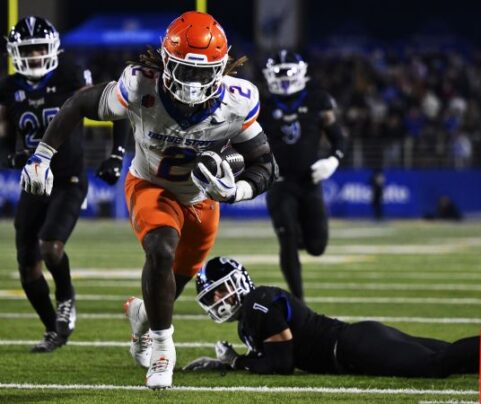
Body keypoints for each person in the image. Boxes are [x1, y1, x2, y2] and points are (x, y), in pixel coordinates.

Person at [20, 11, 276, 389]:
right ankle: (162, 349)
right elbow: (79, 103)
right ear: (165, 62)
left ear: (221, 69)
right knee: (160, 249)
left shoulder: (237, 102)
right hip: (150, 185)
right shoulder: (140, 86)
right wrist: (42, 154)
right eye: (184, 70)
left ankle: (141, 315)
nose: (191, 84)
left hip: (202, 199)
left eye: (201, 73)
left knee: (171, 282)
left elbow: (264, 164)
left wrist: (235, 191)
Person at [183, 256, 481, 379]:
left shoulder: (258, 304)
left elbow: (281, 363)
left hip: (349, 347)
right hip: (355, 340)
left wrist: (235, 363)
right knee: (446, 355)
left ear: (236, 281)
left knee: (436, 364)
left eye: (219, 289)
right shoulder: (254, 308)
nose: (217, 299)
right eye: (211, 296)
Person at [0, 16, 128, 353]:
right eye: (28, 50)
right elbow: (4, 132)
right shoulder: (9, 87)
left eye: (41, 47)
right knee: (27, 265)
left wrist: (116, 154)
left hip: (68, 177)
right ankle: (52, 329)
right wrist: (9, 156)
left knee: (50, 248)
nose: (36, 55)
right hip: (33, 183)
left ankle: (66, 297)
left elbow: (117, 108)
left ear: (54, 48)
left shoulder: (71, 75)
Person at [260, 50, 346, 300]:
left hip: (310, 182)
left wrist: (333, 159)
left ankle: (297, 232)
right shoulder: (261, 105)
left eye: (288, 72)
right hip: (278, 182)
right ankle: (299, 302)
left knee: (317, 247)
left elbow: (338, 137)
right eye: (279, 73)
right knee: (286, 239)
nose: (284, 77)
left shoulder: (319, 100)